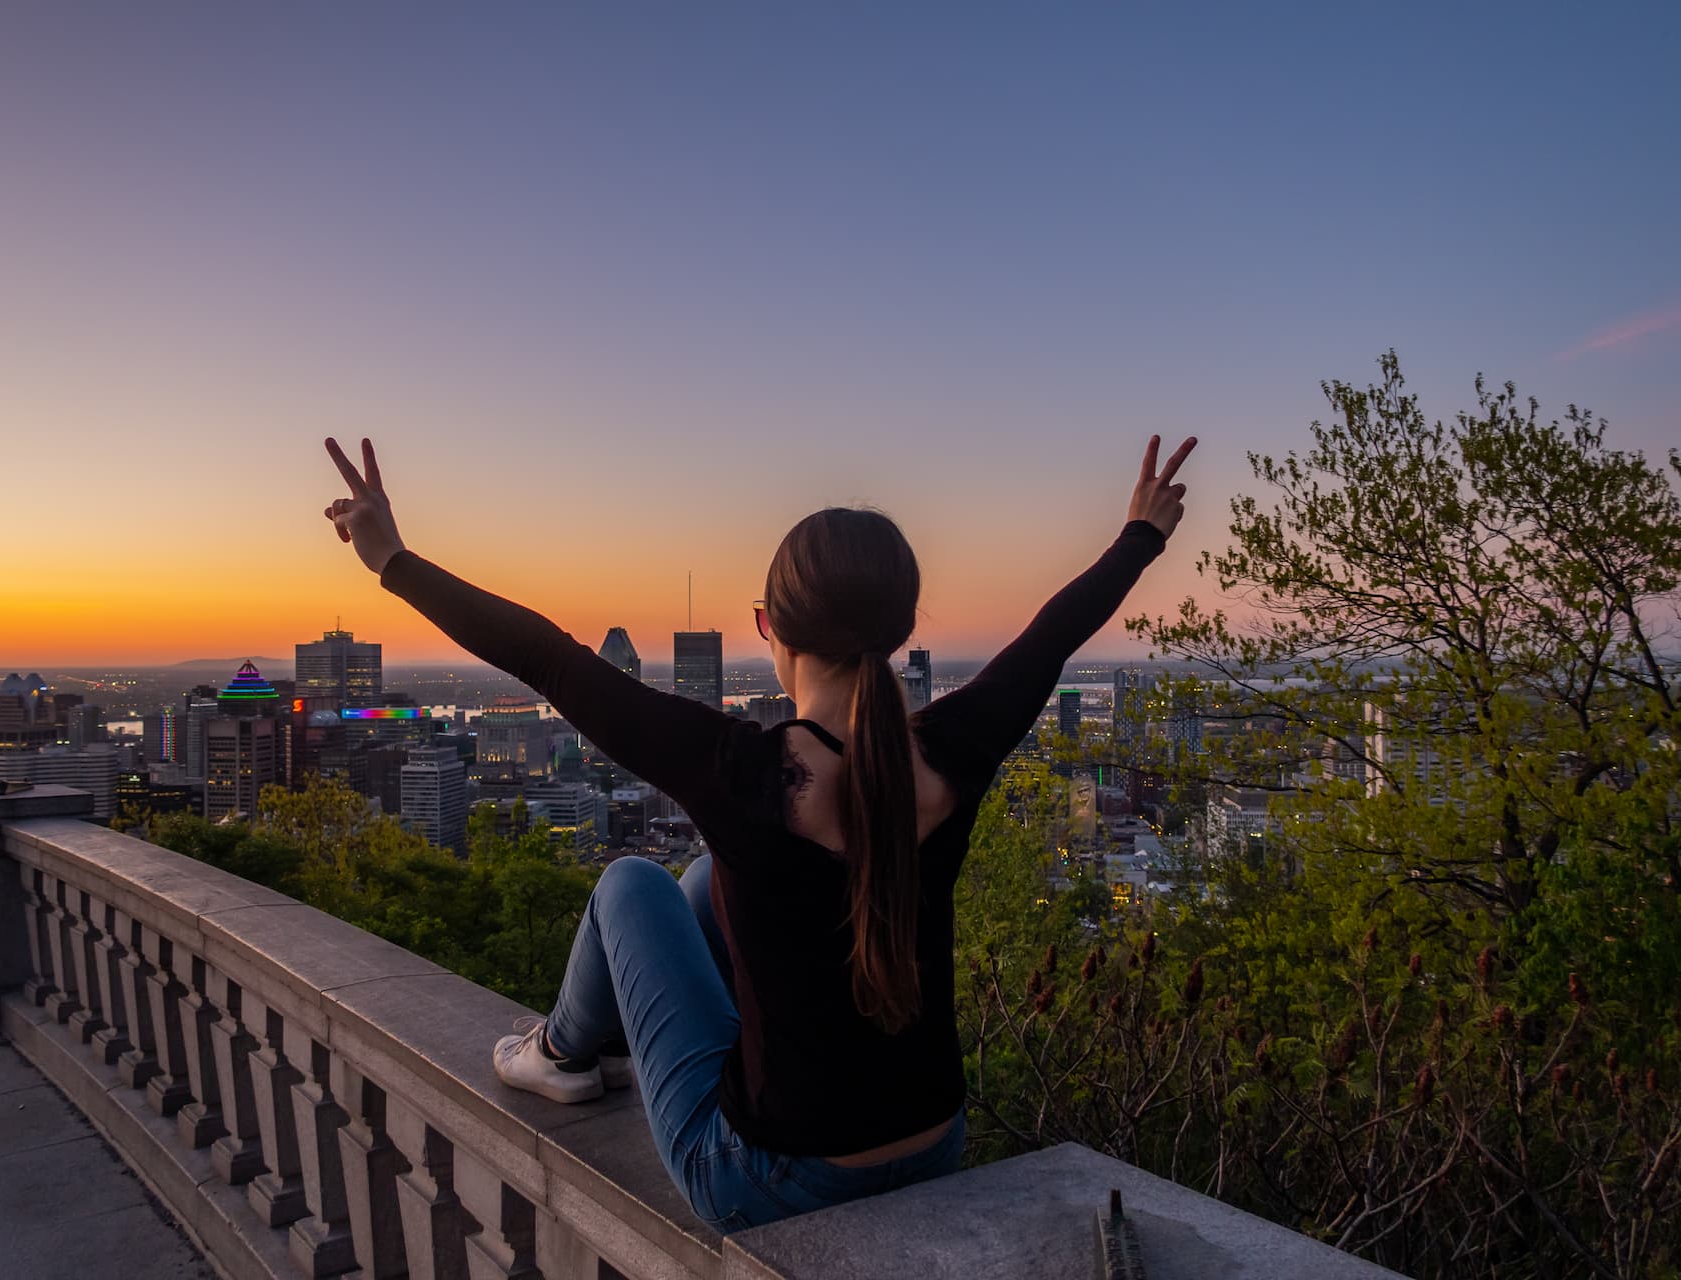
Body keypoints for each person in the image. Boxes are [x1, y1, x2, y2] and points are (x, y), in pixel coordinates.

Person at [322, 432, 1193, 1233]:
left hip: (770, 1175)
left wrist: (392, 561)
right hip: (936, 1141)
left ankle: (557, 1051)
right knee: (706, 880)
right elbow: (1053, 637)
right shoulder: (949, 754)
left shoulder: (747, 772)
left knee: (633, 882)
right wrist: (1139, 538)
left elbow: (551, 658)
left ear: (770, 628)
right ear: (900, 632)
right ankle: (589, 1046)